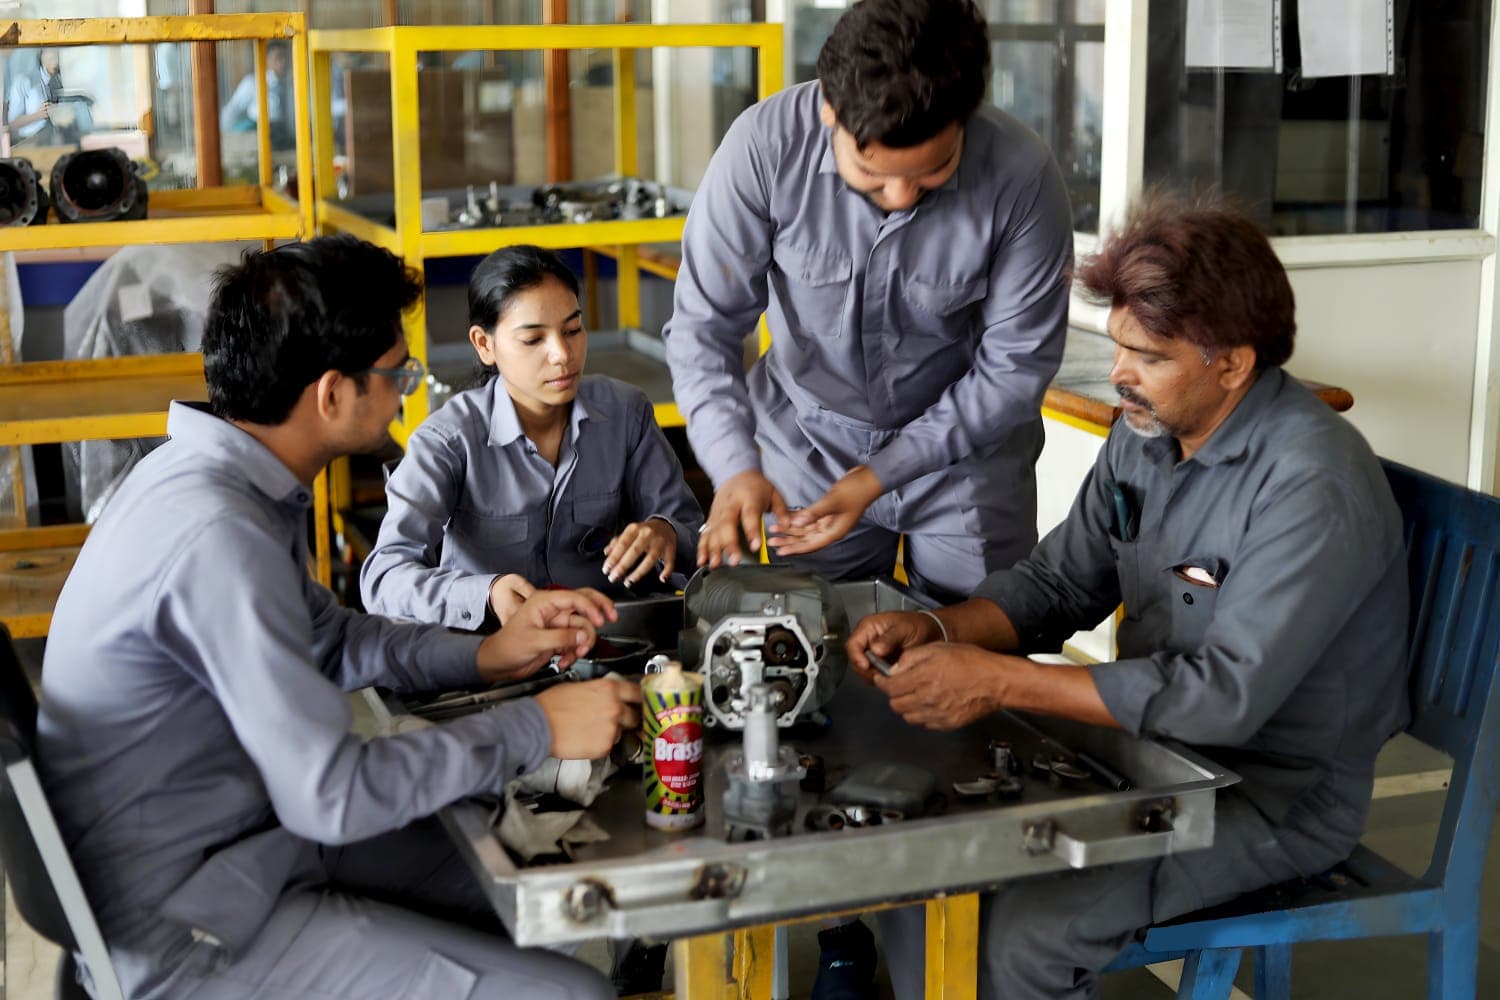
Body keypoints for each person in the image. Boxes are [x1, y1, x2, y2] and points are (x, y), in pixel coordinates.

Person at [37, 235, 641, 1000]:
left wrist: (485, 656)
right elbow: (334, 794)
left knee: (527, 881)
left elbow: (331, 637)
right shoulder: (217, 536)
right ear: (331, 395)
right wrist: (538, 727)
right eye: (397, 375)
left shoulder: (211, 477)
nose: (405, 394)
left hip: (239, 848)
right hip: (190, 927)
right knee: (574, 993)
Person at [845, 193, 1412, 998]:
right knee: (918, 857)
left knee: (1019, 939)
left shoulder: (1311, 485)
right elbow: (1057, 583)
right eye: (1117, 345)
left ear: (1232, 363)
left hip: (1271, 795)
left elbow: (1223, 700)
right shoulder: (1145, 435)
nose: (1118, 375)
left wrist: (999, 681)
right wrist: (939, 630)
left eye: (1147, 356)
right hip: (1148, 755)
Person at [662, 0, 1074, 605]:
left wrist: (880, 474)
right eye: (872, 173)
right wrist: (735, 469)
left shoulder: (1022, 178)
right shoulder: (764, 149)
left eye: (933, 171)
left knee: (974, 641)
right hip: (808, 449)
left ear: (965, 118)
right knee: (810, 635)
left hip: (965, 457)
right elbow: (704, 329)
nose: (901, 195)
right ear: (829, 110)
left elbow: (1013, 371)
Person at [361, 244, 704, 628]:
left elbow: (693, 531)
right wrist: (486, 594)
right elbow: (384, 578)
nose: (562, 354)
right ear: (484, 344)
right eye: (533, 340)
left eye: (572, 330)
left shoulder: (626, 414)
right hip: (490, 645)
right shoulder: (448, 440)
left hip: (611, 634)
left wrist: (666, 532)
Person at [220, 38, 295, 150]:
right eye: (278, 57)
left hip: (283, 137)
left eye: (286, 58)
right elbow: (232, 110)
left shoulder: (291, 85)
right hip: (260, 137)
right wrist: (221, 134)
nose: (283, 62)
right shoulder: (253, 83)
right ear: (266, 60)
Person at [7, 47, 62, 144]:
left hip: (50, 138)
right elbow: (12, 124)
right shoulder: (23, 81)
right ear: (42, 55)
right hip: (29, 142)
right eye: (52, 54)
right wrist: (38, 115)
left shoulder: (56, 80)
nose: (56, 59)